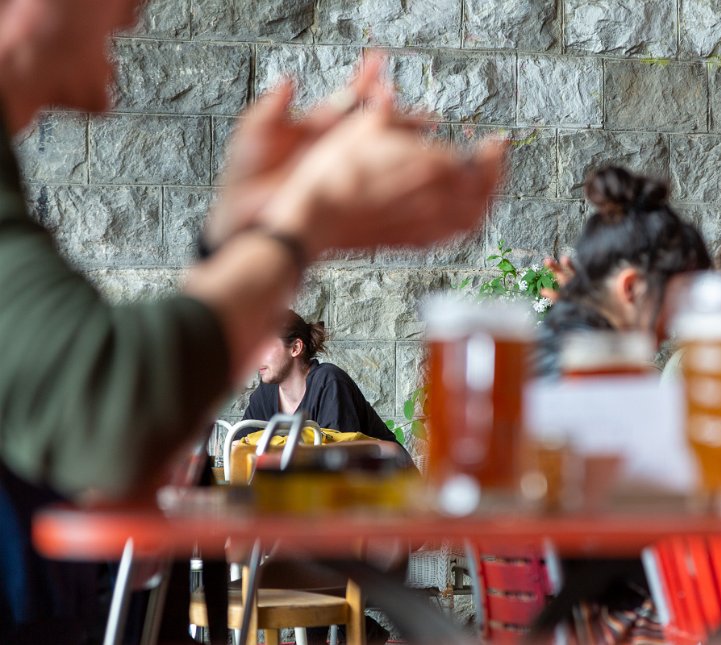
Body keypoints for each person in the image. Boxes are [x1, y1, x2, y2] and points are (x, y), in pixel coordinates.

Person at [0, 0, 504, 641]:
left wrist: (238, 237)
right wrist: (299, 224)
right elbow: (104, 407)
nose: (131, 18)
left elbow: (117, 427)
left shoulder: (329, 385)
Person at [534, 165, 711, 377]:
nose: (680, 319)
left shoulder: (571, 340)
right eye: (679, 301)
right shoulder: (589, 373)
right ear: (632, 287)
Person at [241, 310, 398, 444]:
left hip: (389, 478)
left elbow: (336, 462)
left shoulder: (329, 382)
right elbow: (239, 446)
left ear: (295, 348)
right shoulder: (265, 394)